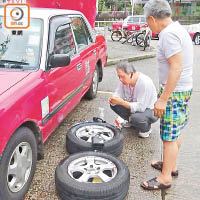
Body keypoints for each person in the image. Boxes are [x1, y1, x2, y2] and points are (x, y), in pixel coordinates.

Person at [141, 0, 193, 190]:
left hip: (174, 92)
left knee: (168, 137)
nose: (148, 26)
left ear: (152, 18)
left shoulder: (168, 35)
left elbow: (176, 68)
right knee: (176, 130)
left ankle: (165, 178)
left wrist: (163, 99)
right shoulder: (178, 29)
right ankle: (171, 166)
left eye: (147, 22)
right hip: (183, 89)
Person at [109, 61, 158, 138]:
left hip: (150, 110)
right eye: (119, 77)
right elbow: (118, 93)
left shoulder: (144, 83)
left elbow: (141, 107)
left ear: (131, 74)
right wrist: (114, 98)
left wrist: (122, 102)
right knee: (114, 104)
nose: (120, 79)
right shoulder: (125, 81)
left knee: (136, 117)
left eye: (122, 76)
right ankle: (131, 121)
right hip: (135, 106)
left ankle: (146, 129)